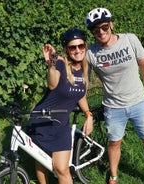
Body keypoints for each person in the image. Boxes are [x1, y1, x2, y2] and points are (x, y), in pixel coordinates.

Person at [84, 7, 144, 184]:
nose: (101, 32)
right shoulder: (91, 54)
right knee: (114, 143)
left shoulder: (130, 40)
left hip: (138, 103)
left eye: (104, 27)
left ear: (111, 24)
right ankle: (113, 175)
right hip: (113, 107)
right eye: (96, 31)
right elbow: (84, 81)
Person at [26, 28, 93, 184]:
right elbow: (52, 84)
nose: (77, 50)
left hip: (61, 124)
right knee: (42, 160)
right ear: (66, 49)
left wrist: (88, 114)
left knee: (61, 169)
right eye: (72, 47)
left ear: (85, 46)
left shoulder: (85, 68)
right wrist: (51, 65)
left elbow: (80, 94)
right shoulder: (61, 63)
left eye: (80, 46)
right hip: (42, 119)